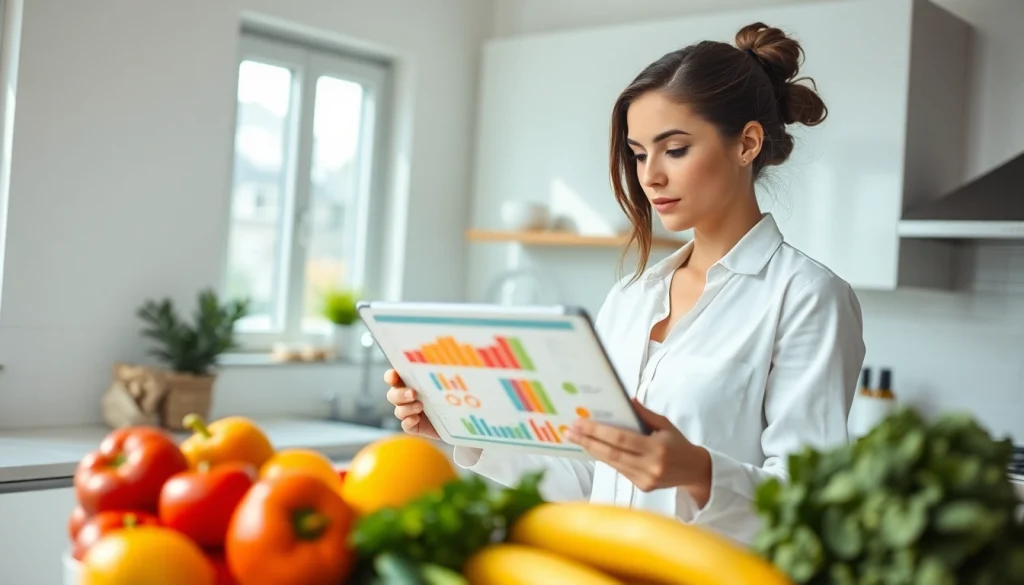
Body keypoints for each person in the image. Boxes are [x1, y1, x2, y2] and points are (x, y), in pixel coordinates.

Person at [384, 22, 866, 546]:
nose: (649, 176)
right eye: (638, 153)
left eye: (674, 149)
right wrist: (460, 425)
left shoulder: (808, 298)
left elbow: (812, 509)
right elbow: (587, 478)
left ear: (747, 144)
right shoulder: (631, 299)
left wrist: (699, 472)